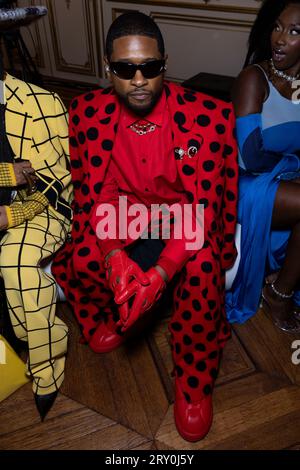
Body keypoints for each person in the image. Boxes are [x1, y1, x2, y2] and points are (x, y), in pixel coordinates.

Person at [52, 12, 238, 442]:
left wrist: (161, 272)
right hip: (126, 212)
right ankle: (111, 316)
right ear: (107, 68)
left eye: (149, 67)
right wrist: (115, 255)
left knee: (202, 271)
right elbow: (94, 193)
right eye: (124, 69)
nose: (138, 79)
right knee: (83, 254)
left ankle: (192, 381)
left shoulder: (208, 117)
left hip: (184, 215)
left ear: (164, 63)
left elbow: (204, 205)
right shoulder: (85, 113)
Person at [0, 68, 73, 419]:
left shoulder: (40, 104)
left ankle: (45, 361)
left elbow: (57, 181)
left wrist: (11, 217)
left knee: (16, 261)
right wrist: (3, 173)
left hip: (35, 209)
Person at [226, 0, 300, 333]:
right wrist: (294, 165)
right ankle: (279, 294)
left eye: (295, 31)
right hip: (245, 184)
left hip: (282, 179)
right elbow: (251, 156)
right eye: (277, 27)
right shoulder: (254, 79)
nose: (280, 39)